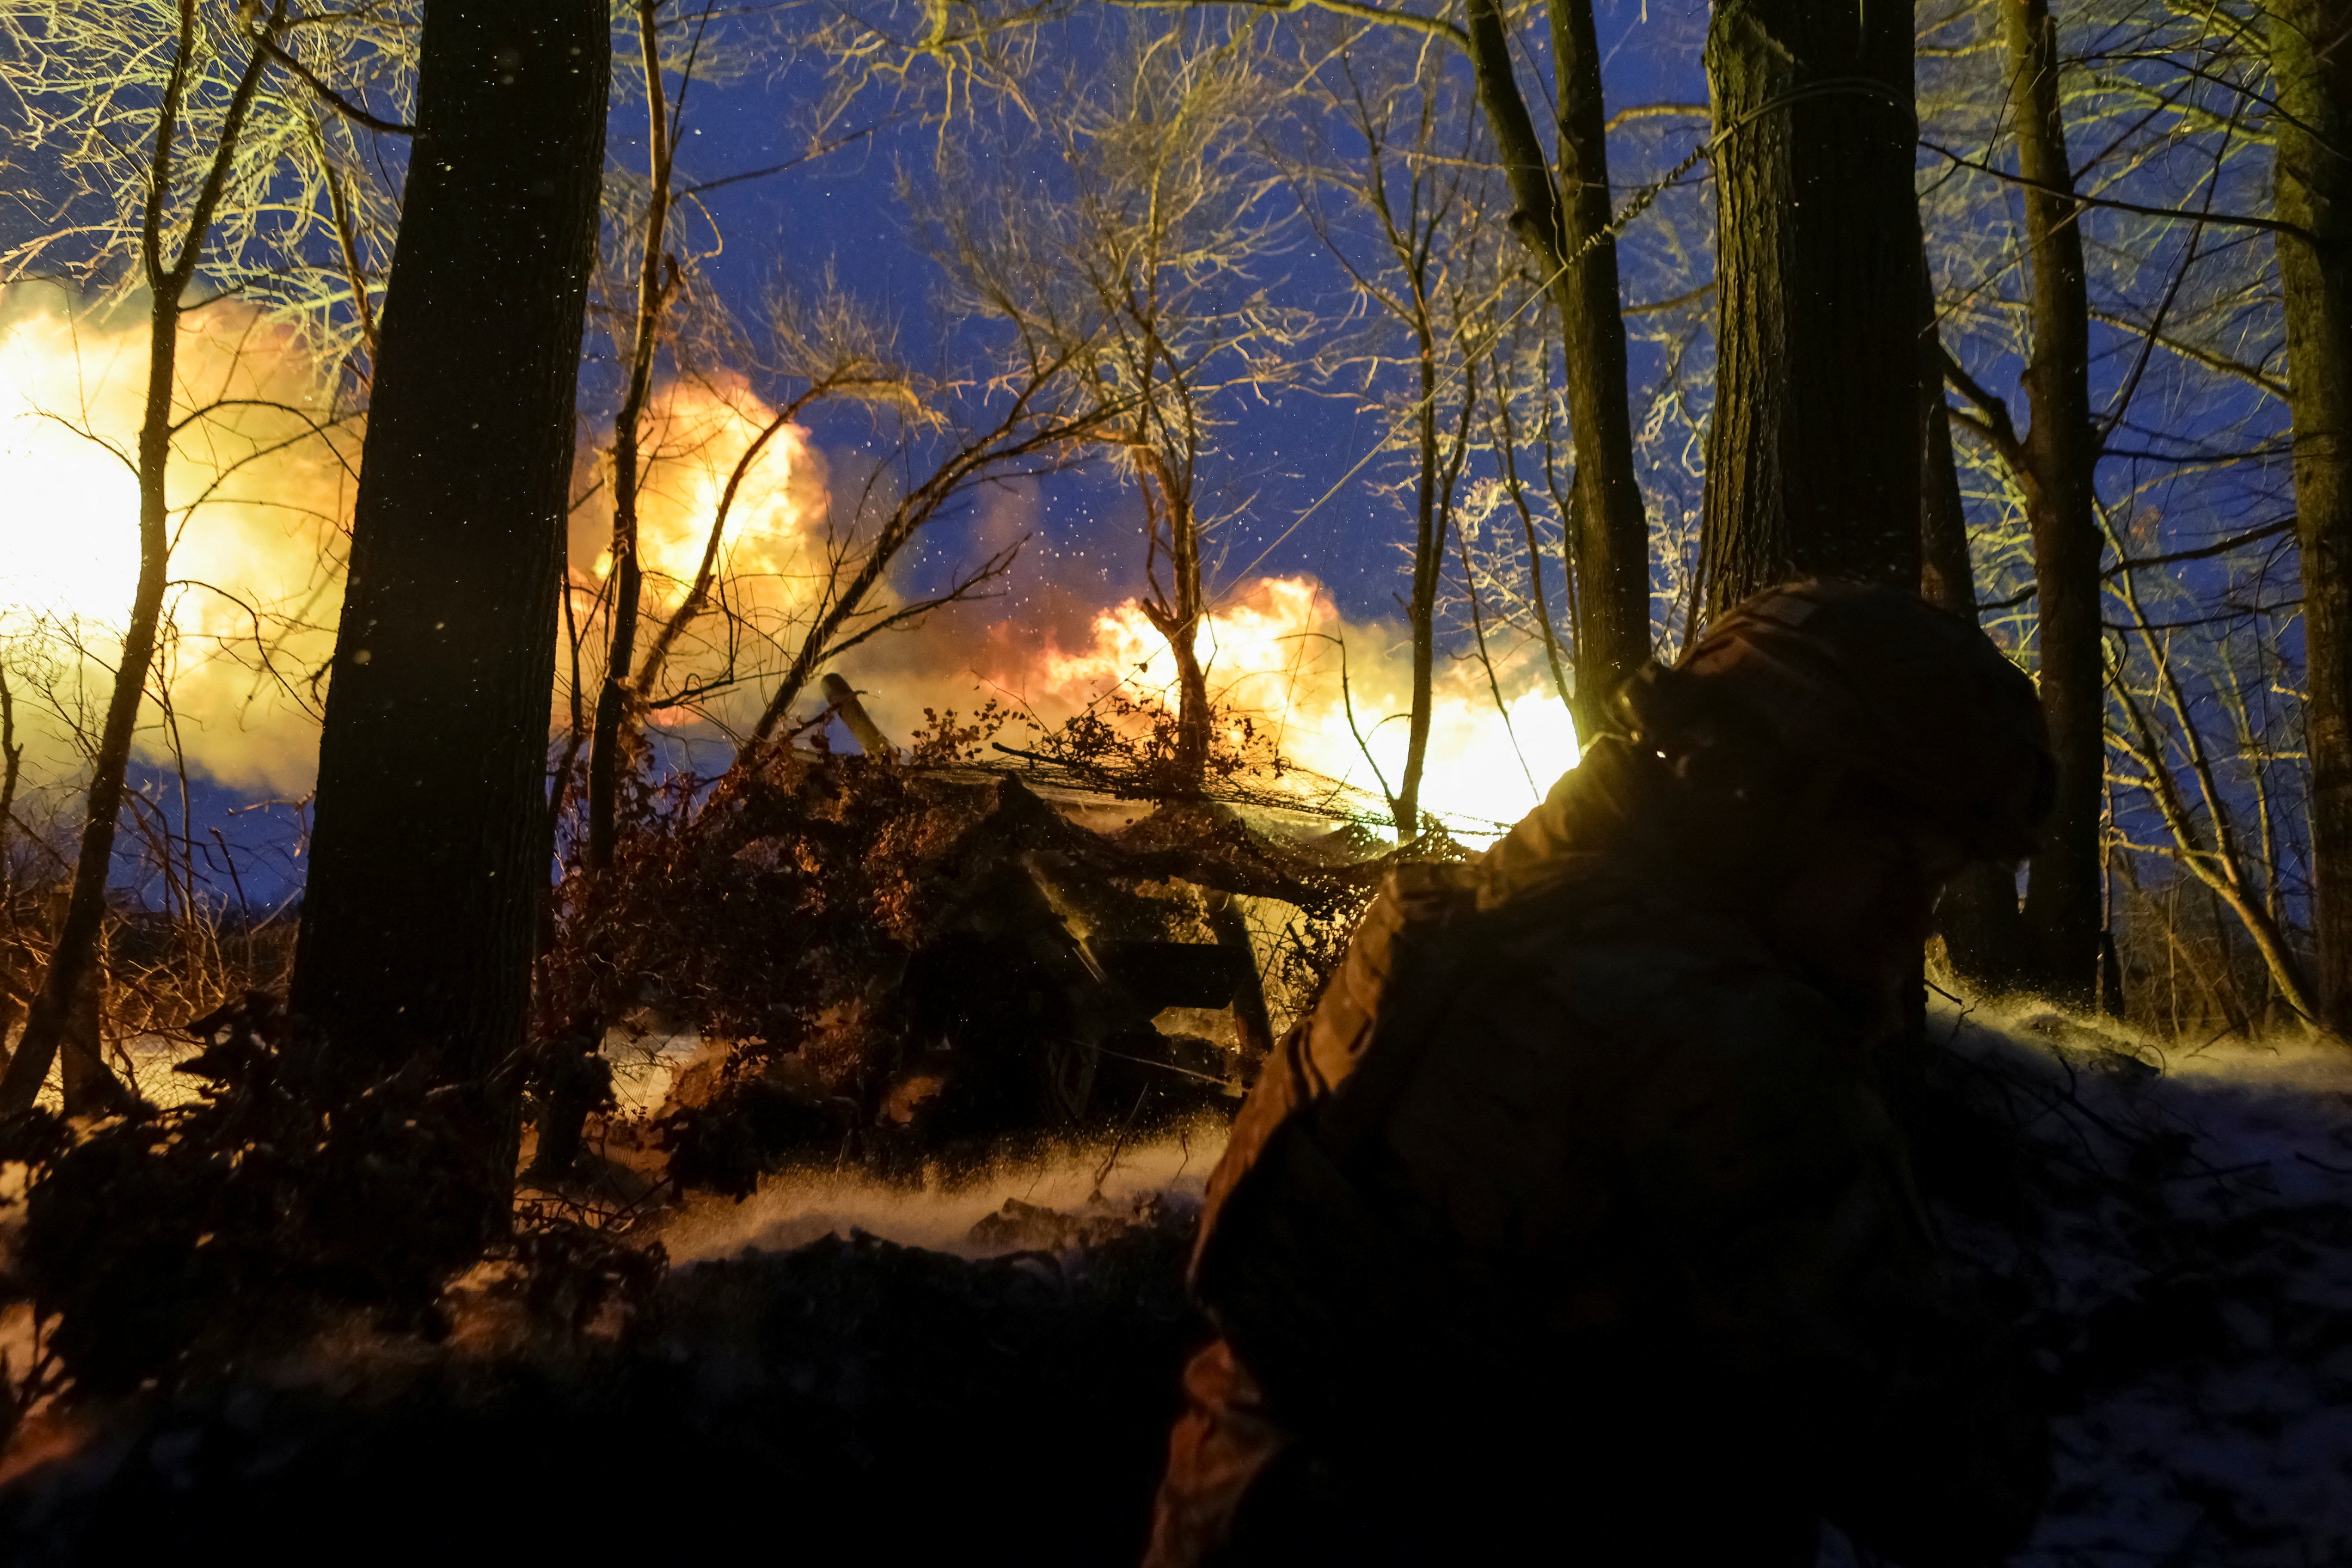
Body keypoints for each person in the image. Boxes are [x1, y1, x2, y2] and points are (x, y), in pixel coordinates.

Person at [1145, 579, 2055, 1568]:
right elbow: (1952, 1487)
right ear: (1758, 797)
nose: (1912, 924)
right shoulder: (1728, 1038)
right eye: (1899, 868)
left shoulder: (1443, 923)